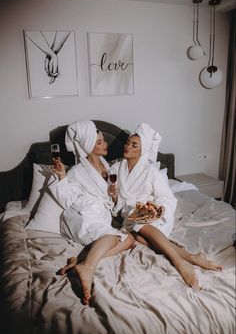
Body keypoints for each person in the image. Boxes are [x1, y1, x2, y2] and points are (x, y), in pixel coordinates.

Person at [109, 123, 223, 289]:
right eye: (127, 143)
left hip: (152, 216)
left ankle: (180, 262)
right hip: (130, 215)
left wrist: (157, 209)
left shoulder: (150, 171)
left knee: (140, 229)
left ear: (143, 150)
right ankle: (191, 257)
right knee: (139, 239)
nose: (127, 147)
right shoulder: (115, 168)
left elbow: (167, 198)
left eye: (134, 145)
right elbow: (115, 201)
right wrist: (113, 195)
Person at [50, 120, 134, 305]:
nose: (105, 144)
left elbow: (112, 198)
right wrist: (62, 176)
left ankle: (81, 260)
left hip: (98, 214)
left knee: (129, 239)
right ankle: (88, 267)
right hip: (82, 215)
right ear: (88, 146)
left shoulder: (106, 165)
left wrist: (113, 196)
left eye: (103, 140)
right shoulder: (78, 171)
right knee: (114, 237)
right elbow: (67, 198)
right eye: (99, 142)